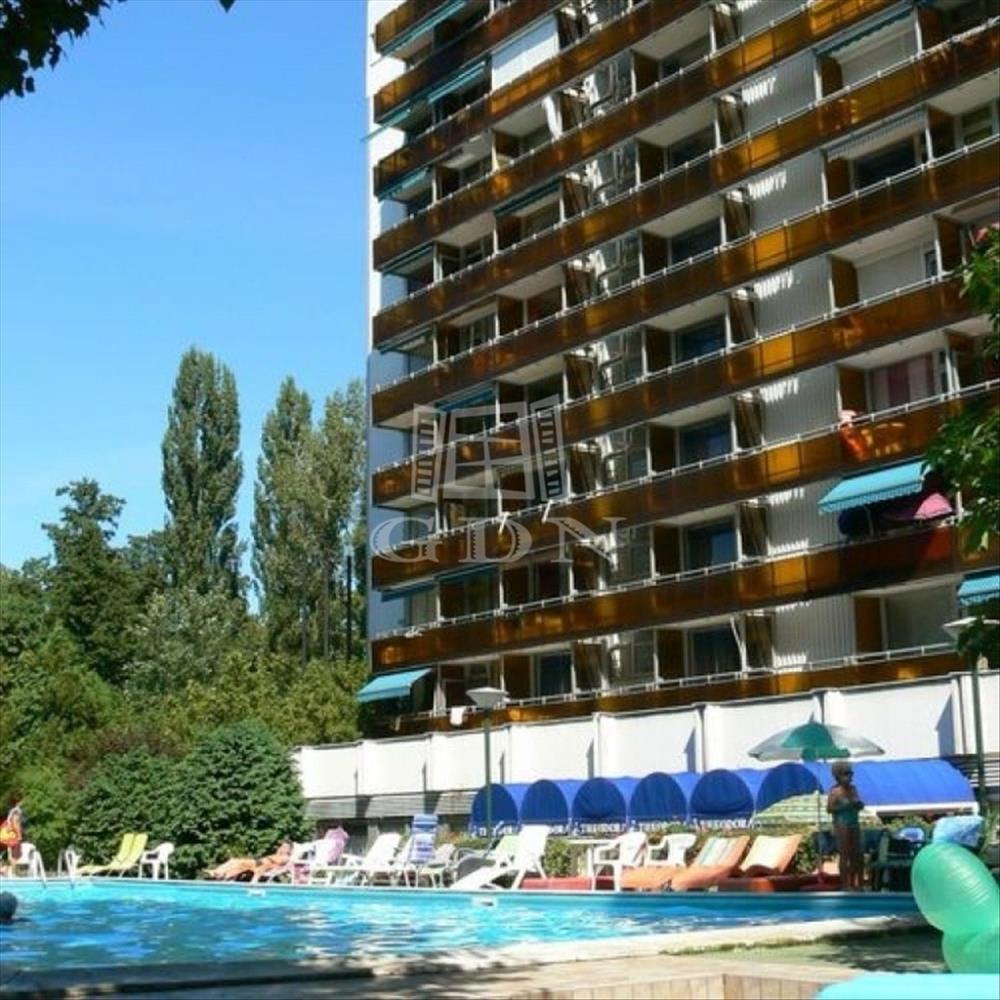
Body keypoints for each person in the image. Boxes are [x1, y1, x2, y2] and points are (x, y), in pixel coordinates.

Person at [827, 761, 865, 890]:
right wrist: (846, 805)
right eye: (846, 774)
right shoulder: (835, 791)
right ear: (838, 776)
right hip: (842, 823)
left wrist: (858, 805)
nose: (850, 776)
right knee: (845, 854)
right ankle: (845, 884)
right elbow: (830, 808)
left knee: (858, 854)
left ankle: (858, 883)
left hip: (854, 821)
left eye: (851, 773)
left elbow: (857, 802)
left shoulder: (853, 789)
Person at [203, 841, 292, 882]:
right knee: (235, 862)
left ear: (289, 850)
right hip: (258, 863)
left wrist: (275, 855)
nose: (282, 848)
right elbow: (268, 860)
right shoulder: (277, 855)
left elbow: (271, 863)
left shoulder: (285, 857)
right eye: (282, 846)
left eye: (285, 847)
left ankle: (218, 873)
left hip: (259, 865)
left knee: (235, 862)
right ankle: (219, 873)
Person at [0, 794, 24, 876]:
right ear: (18, 802)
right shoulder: (17, 811)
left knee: (10, 855)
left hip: (5, 835)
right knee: (15, 856)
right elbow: (15, 822)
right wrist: (19, 835)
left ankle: (5, 870)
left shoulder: (11, 810)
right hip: (12, 836)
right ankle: (10, 873)